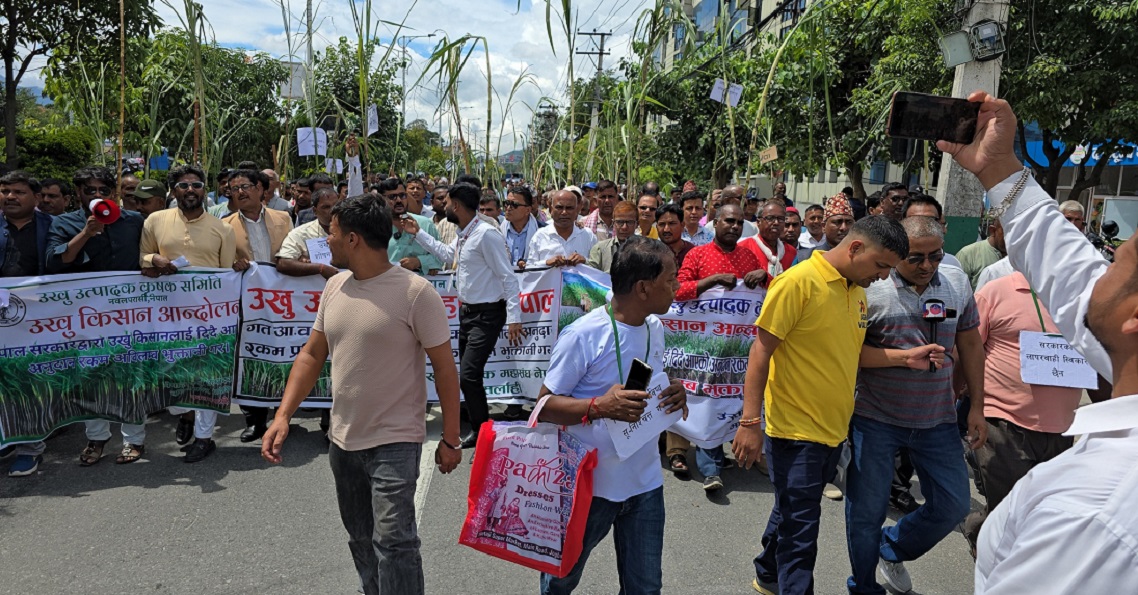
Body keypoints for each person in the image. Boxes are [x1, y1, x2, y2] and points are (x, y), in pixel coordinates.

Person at [932, 91, 1138, 594]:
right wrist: (1001, 169)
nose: (1102, 260)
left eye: (1124, 258)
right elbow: (1071, 275)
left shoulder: (1095, 517)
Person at [262, 193, 462, 595]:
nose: (327, 240)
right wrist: (283, 415)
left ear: (353, 239)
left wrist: (451, 440)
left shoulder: (416, 293)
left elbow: (444, 370)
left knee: (395, 543)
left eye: (331, 233)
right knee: (360, 539)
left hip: (395, 441)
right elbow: (311, 355)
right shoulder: (335, 286)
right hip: (343, 441)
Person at [732, 216, 911, 595]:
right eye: (881, 266)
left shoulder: (857, 290)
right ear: (856, 247)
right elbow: (761, 352)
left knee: (793, 508)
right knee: (802, 532)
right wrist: (749, 422)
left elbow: (853, 353)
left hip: (834, 429)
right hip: (794, 431)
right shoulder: (797, 283)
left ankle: (767, 572)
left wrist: (904, 358)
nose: (883, 277)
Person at [535, 235, 686, 595]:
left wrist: (673, 394)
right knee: (560, 582)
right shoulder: (583, 335)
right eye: (671, 279)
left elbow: (645, 386)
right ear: (643, 288)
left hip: (645, 484)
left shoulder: (655, 328)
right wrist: (597, 407)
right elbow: (543, 408)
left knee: (645, 588)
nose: (677, 287)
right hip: (590, 487)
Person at [844, 216, 985, 595]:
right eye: (916, 258)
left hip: (936, 418)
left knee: (954, 504)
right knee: (865, 512)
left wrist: (977, 406)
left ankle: (891, 548)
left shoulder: (957, 282)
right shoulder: (869, 287)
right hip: (874, 418)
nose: (927, 266)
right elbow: (848, 352)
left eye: (935, 256)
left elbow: (971, 344)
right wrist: (903, 358)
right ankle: (863, 584)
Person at [959, 270, 1082, 554]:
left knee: (1040, 513)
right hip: (1004, 422)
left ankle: (980, 530)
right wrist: (968, 403)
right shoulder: (995, 292)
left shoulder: (1081, 296)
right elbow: (967, 349)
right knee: (1008, 510)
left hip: (1063, 428)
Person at [401, 182, 523, 449]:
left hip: (488, 314)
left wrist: (515, 317)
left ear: (456, 206)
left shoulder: (486, 235)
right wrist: (418, 233)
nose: (443, 206)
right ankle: (481, 430)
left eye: (446, 203)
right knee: (468, 376)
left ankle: (482, 433)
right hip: (467, 315)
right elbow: (447, 255)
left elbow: (508, 278)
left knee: (469, 375)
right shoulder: (465, 233)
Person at [44, 167, 148, 467]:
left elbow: (147, 255)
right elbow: (56, 260)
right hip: (84, 317)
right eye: (90, 191)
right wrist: (86, 233)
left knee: (131, 375)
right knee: (89, 376)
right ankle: (97, 436)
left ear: (113, 194)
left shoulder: (133, 221)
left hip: (129, 314)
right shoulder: (65, 222)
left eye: (104, 191)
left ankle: (134, 439)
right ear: (78, 194)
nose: (98, 196)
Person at [140, 165, 237, 463]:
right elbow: (144, 267)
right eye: (183, 185)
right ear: (173, 191)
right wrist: (153, 258)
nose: (190, 190)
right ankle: (184, 414)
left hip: (210, 319)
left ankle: (205, 438)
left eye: (196, 184)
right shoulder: (155, 221)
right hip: (168, 317)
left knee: (208, 377)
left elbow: (226, 277)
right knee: (171, 375)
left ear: (204, 190)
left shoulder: (224, 228)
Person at [223, 169, 294, 442]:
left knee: (283, 355)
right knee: (252, 355)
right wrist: (233, 265)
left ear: (261, 190)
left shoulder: (284, 218)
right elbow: (222, 263)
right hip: (249, 303)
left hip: (283, 298)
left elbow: (297, 251)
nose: (240, 191)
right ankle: (254, 419)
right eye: (234, 188)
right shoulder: (225, 224)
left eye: (245, 186)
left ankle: (282, 414)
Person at [1, 171, 54, 476]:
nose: (10, 197)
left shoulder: (53, 227)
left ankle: (29, 448)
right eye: (5, 191)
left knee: (28, 383)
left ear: (35, 198)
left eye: (19, 192)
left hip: (37, 320)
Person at [379, 177, 442, 276]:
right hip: (385, 285)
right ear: (382, 199)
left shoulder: (425, 224)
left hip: (419, 287)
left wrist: (419, 262)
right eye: (392, 197)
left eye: (402, 195)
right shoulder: (374, 227)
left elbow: (441, 257)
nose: (399, 200)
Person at [276, 188, 341, 279]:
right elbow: (283, 263)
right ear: (315, 211)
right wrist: (320, 268)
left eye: (336, 205)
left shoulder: (354, 230)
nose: (333, 211)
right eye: (326, 207)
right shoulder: (301, 234)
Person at [527, 190, 596, 267]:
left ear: (577, 210)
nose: (564, 212)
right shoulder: (540, 236)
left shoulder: (588, 236)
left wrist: (585, 261)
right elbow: (530, 269)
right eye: (559, 207)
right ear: (551, 209)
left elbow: (598, 269)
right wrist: (546, 263)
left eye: (569, 208)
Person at [900, 194, 964, 270]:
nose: (926, 266)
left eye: (931, 220)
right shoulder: (887, 265)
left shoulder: (952, 266)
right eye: (916, 220)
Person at [739, 200, 797, 283]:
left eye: (780, 219)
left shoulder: (791, 252)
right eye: (770, 218)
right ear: (758, 222)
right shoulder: (743, 248)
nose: (776, 223)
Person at [796, 194, 855, 261]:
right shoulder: (806, 257)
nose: (843, 228)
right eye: (837, 222)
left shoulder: (862, 258)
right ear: (824, 226)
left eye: (849, 222)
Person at [586, 202, 637, 273]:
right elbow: (591, 276)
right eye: (619, 222)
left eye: (629, 222)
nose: (624, 227)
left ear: (637, 224)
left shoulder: (646, 250)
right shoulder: (600, 249)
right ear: (613, 223)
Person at [956, 218, 1006, 291]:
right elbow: (958, 291)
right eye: (1007, 232)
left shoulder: (1021, 257)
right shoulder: (968, 254)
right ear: (993, 230)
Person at [502, 185, 541, 268]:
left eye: (514, 204)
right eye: (507, 203)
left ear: (527, 210)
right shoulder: (498, 230)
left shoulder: (542, 231)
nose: (508, 208)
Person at [655, 203, 693, 270]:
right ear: (656, 227)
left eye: (672, 224)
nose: (666, 229)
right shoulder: (651, 253)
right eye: (662, 224)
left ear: (682, 225)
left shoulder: (692, 252)